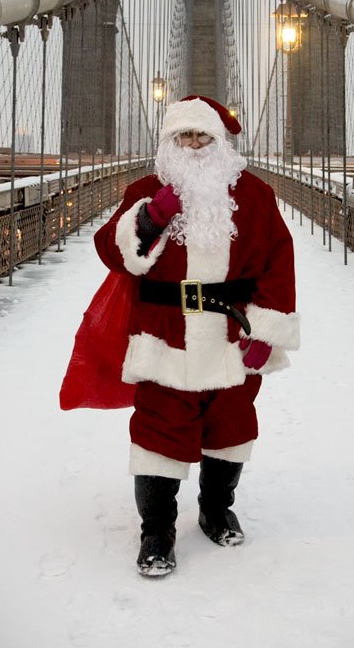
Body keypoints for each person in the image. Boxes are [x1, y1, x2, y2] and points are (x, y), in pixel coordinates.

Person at [93, 94, 300, 577]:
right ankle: (157, 532)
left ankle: (214, 509)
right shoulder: (147, 189)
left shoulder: (254, 194)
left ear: (219, 140)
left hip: (234, 334)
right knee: (158, 432)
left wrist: (267, 328)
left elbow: (278, 261)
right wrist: (149, 219)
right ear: (168, 141)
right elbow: (111, 250)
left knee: (230, 428)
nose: (193, 144)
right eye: (182, 135)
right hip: (166, 333)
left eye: (202, 135)